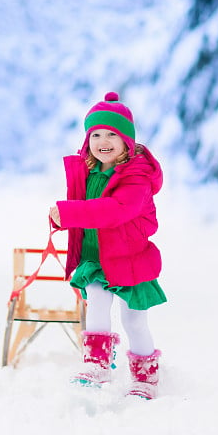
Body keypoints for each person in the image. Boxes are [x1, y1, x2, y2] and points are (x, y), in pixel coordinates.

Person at [49, 91, 166, 400]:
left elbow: (115, 211)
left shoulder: (136, 176)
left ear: (126, 141)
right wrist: (64, 218)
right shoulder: (89, 172)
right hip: (98, 257)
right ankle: (96, 363)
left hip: (129, 259)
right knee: (97, 302)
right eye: (95, 134)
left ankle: (145, 377)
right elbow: (85, 209)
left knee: (133, 319)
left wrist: (71, 212)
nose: (103, 140)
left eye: (112, 134)